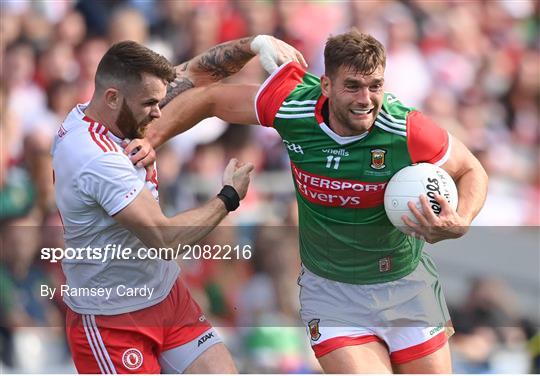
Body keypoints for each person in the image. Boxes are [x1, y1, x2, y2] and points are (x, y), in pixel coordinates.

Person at [138, 29, 489, 373]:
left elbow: (472, 170)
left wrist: (461, 221)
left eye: (375, 86)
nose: (365, 99)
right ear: (326, 86)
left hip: (406, 285)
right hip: (332, 293)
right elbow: (209, 99)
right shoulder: (292, 105)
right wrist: (152, 139)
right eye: (352, 86)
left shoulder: (405, 128)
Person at [51, 36, 304, 374]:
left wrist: (255, 44)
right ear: (112, 97)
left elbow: (195, 73)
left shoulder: (117, 112)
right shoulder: (96, 159)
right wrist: (228, 196)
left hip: (166, 297)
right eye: (150, 105)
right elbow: (165, 239)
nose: (159, 112)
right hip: (112, 318)